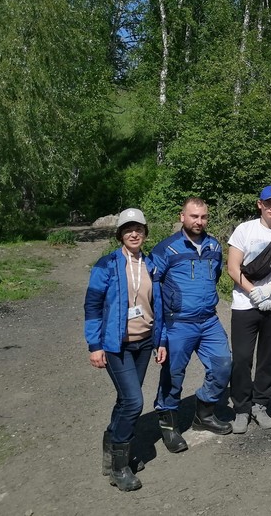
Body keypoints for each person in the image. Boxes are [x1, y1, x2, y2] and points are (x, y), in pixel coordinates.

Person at [84, 208, 165, 491]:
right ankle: (120, 467)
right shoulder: (105, 265)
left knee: (125, 400)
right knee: (133, 402)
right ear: (120, 234)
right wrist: (95, 345)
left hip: (144, 342)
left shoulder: (153, 263)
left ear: (145, 233)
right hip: (116, 345)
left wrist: (161, 339)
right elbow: (92, 306)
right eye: (128, 229)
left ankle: (111, 451)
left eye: (139, 229)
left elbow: (160, 306)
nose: (134, 233)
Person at [153, 197, 232, 451]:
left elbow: (216, 275)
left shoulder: (214, 246)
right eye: (194, 216)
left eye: (203, 217)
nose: (199, 221)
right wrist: (161, 334)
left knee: (223, 366)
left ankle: (204, 414)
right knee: (173, 375)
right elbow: (154, 291)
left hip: (208, 321)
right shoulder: (166, 249)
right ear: (182, 217)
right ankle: (169, 426)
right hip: (178, 323)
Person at [226, 185, 271, 433]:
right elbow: (233, 267)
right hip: (245, 304)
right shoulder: (244, 230)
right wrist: (253, 292)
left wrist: (269, 290)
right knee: (242, 358)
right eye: (268, 202)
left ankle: (260, 404)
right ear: (259, 204)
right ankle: (241, 408)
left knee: (269, 358)